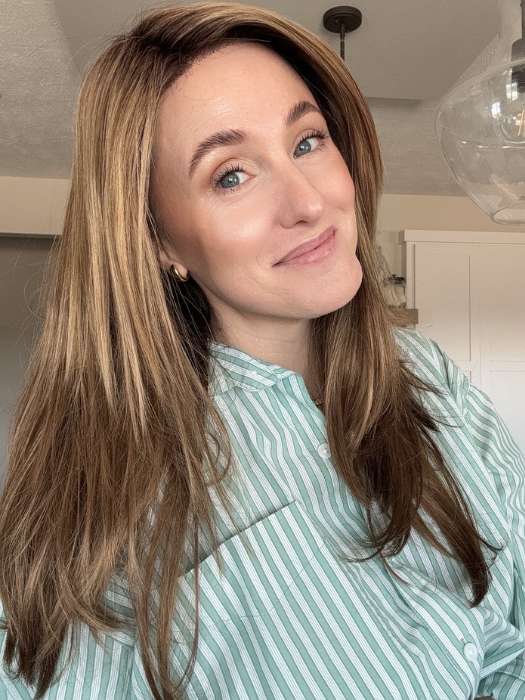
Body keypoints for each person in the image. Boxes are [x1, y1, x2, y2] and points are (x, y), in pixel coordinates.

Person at [0, 1, 523, 698]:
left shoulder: (427, 376)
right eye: (231, 175)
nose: (308, 202)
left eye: (307, 141)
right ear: (157, 240)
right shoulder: (116, 491)